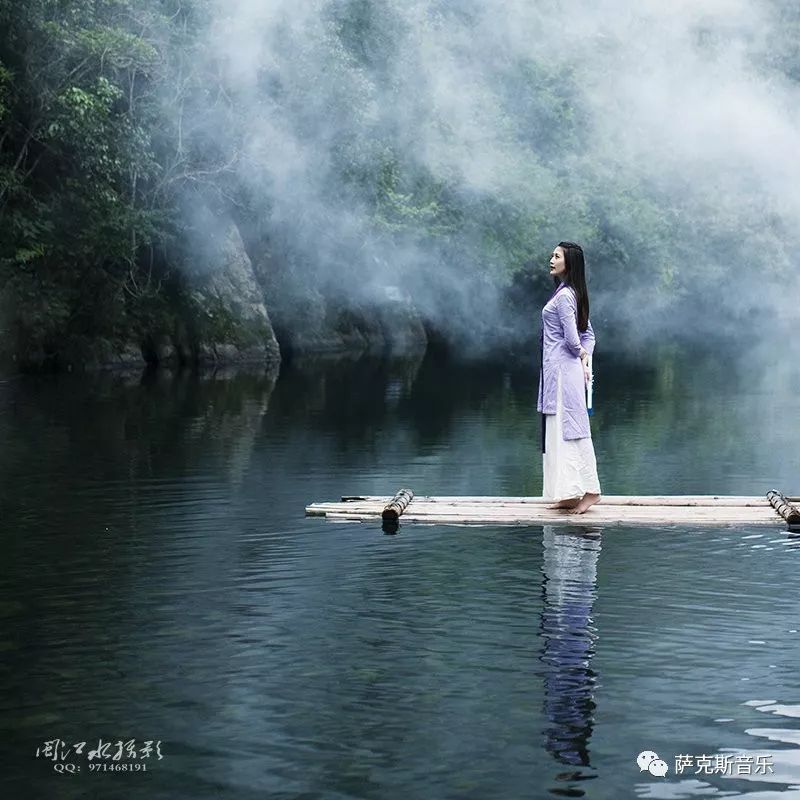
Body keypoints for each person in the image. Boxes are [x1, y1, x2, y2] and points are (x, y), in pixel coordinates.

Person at [537, 242, 601, 514]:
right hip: (559, 371)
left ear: (569, 263)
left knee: (572, 429)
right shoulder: (566, 293)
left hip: (564, 373)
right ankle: (569, 492)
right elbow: (589, 335)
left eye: (557, 256)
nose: (551, 260)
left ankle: (591, 491)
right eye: (552, 255)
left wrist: (581, 355)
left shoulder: (565, 297)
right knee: (560, 431)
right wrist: (584, 356)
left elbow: (576, 338)